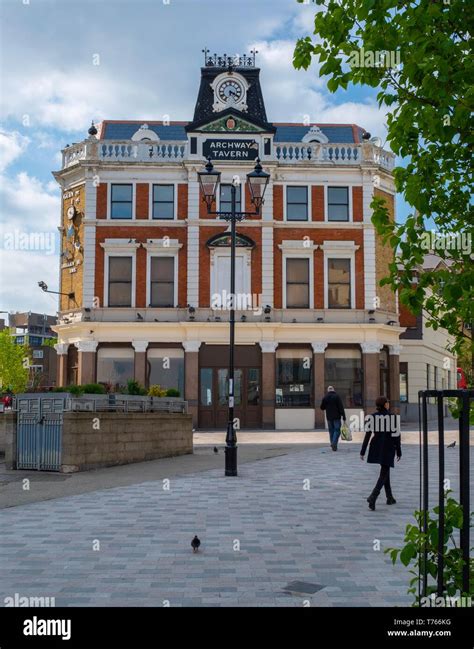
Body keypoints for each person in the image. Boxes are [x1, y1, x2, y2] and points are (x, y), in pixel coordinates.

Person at [360, 396, 402, 510]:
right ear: (384, 404)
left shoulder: (372, 417)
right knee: (384, 472)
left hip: (376, 447)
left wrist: (363, 451)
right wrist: (399, 450)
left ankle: (389, 497)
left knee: (385, 469)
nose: (389, 404)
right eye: (387, 402)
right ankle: (373, 496)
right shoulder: (392, 417)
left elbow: (368, 434)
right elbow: (396, 436)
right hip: (388, 447)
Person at [320, 386, 346, 451]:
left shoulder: (325, 397)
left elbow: (322, 407)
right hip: (337, 417)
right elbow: (341, 407)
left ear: (328, 390)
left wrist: (326, 405)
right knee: (337, 430)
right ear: (333, 390)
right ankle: (334, 443)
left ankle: (333, 445)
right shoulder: (337, 396)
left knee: (331, 431)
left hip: (329, 417)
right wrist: (344, 416)